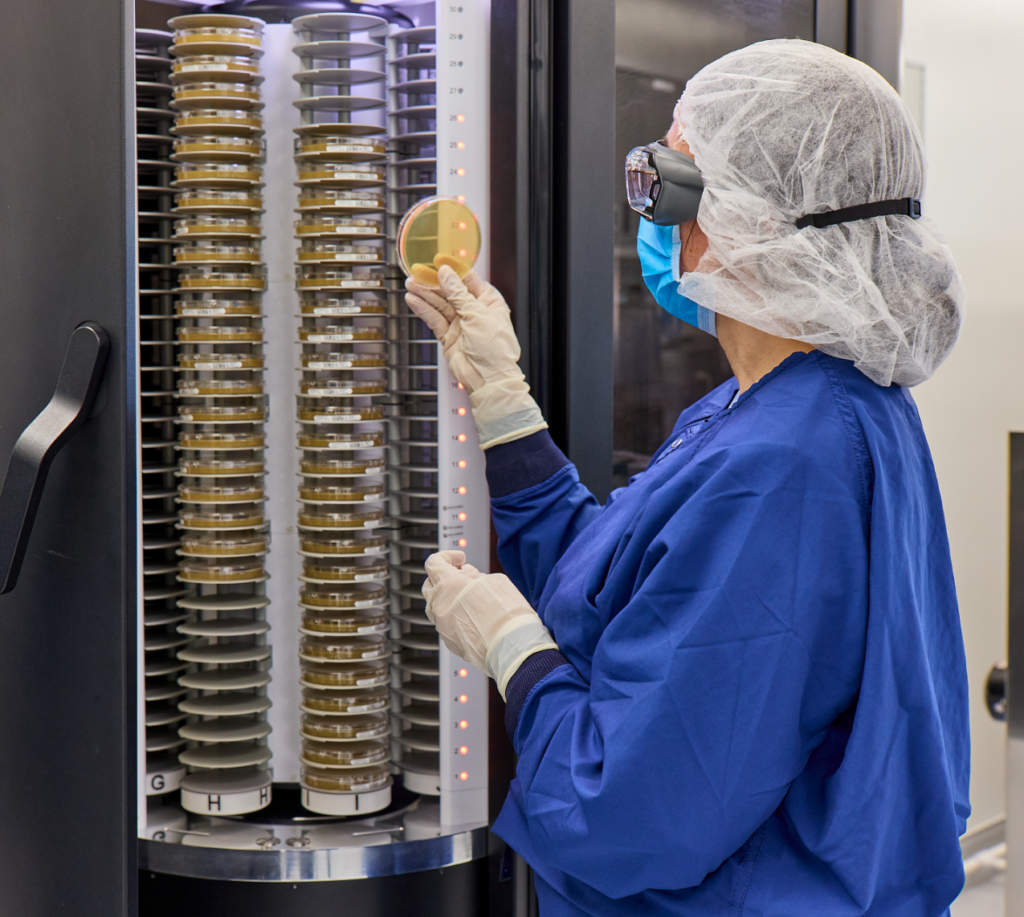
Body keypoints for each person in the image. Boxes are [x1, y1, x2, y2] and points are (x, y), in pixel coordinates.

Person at [405, 39, 970, 917]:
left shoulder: (785, 464)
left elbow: (627, 813)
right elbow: (627, 595)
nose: (652, 219)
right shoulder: (783, 406)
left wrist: (511, 649)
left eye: (664, 183)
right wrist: (503, 399)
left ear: (754, 217)